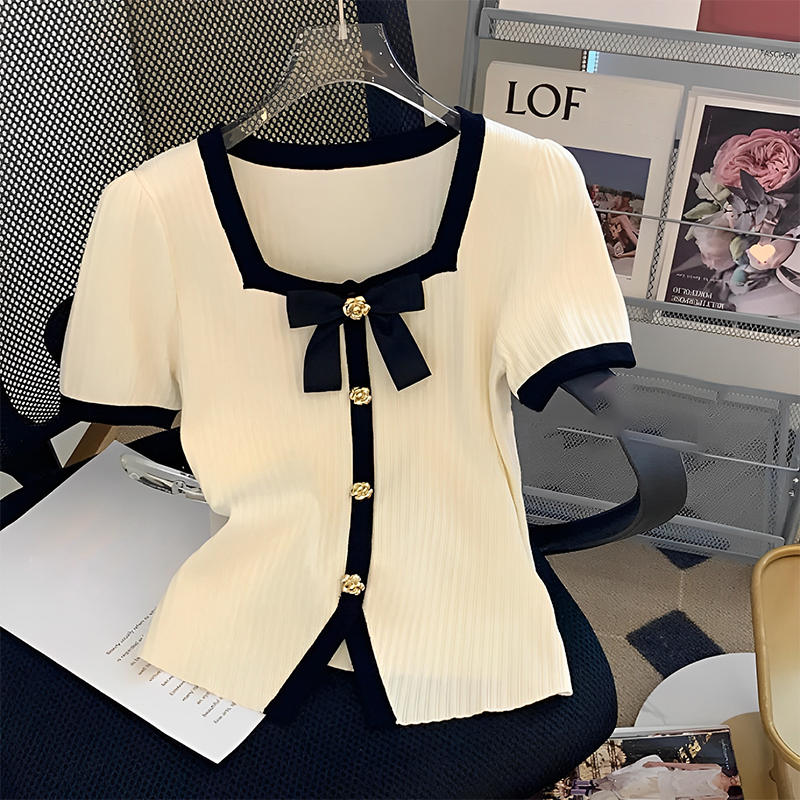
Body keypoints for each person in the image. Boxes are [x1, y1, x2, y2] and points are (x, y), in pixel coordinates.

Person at [589, 754, 742, 799]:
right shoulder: (715, 768)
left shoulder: (722, 796)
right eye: (739, 776)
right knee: (628, 781)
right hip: (665, 777)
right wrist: (660, 764)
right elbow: (688, 767)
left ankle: (588, 795)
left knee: (626, 795)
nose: (737, 779)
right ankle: (590, 784)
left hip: (667, 794)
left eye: (740, 782)